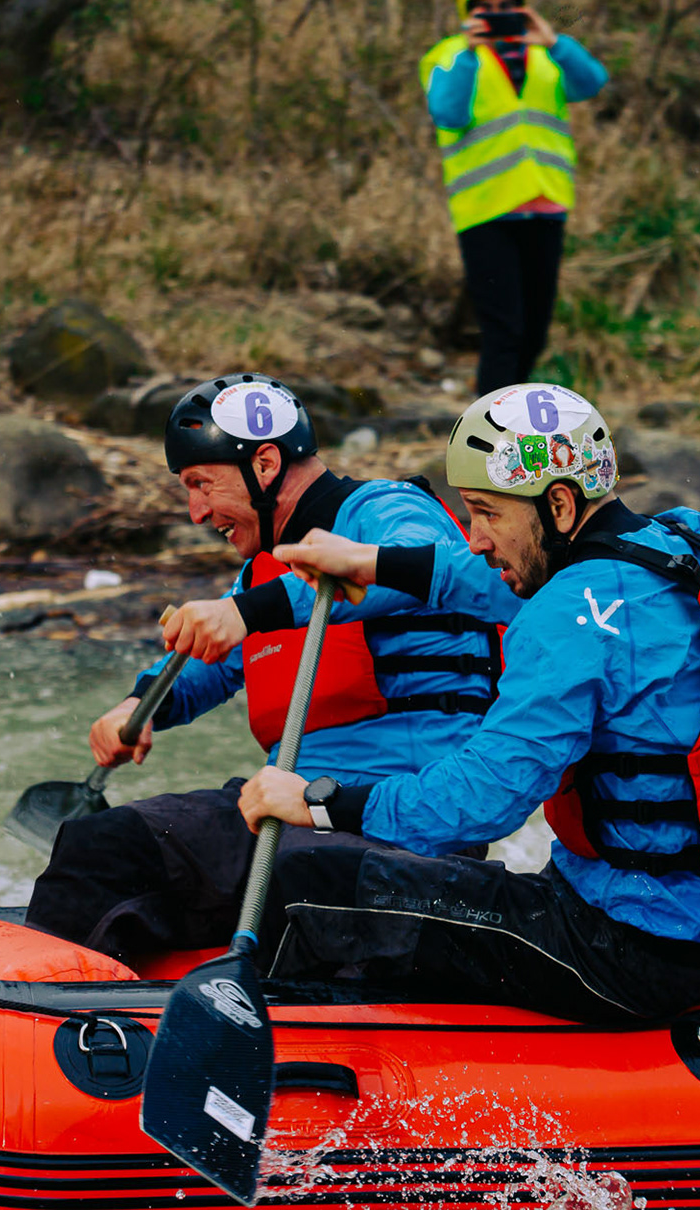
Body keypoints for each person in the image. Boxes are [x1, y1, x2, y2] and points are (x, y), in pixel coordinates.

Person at [240, 383, 700, 1022]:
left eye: (487, 514)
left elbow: (483, 801)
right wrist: (372, 560)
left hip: (620, 951)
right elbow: (487, 581)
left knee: (309, 884)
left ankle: (286, 1053)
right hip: (689, 928)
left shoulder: (568, 617)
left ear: (559, 504)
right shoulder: (673, 550)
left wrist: (319, 802)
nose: (476, 539)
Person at [24, 373, 498, 961]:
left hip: (400, 821)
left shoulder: (388, 509)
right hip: (283, 807)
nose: (197, 513)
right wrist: (139, 705)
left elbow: (421, 566)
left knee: (301, 877)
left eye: (201, 485)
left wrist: (245, 612)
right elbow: (210, 663)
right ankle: (46, 1000)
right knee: (105, 843)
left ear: (266, 465)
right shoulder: (263, 572)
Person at [420, 0, 608, 395]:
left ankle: (515, 415)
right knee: (503, 331)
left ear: (524, 6)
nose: (498, 15)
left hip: (545, 203)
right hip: (486, 210)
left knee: (535, 332)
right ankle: (489, 424)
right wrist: (471, 55)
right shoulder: (448, 56)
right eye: (485, 8)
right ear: (467, 11)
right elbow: (447, 113)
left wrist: (555, 42)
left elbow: (592, 83)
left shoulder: (547, 54)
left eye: (507, 6)